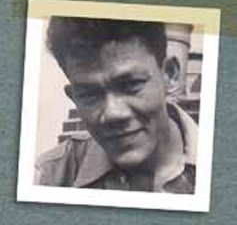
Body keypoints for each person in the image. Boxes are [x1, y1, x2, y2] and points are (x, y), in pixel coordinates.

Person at [35, 17, 197, 193]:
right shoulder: (45, 179)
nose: (113, 113)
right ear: (74, 98)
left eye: (130, 85)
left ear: (169, 74)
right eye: (89, 94)